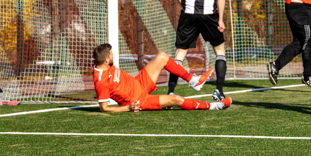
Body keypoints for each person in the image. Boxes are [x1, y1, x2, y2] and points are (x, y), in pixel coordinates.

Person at [92, 44, 231, 112]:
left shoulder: (103, 64)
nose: (113, 55)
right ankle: (214, 106)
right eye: (111, 54)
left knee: (162, 56)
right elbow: (104, 108)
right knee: (177, 99)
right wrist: (128, 107)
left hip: (139, 83)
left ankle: (194, 81)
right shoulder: (101, 81)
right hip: (139, 100)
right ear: (106, 60)